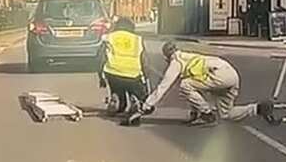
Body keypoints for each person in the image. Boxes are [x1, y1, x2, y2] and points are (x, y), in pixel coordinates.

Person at [136, 41, 277, 127]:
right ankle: (258, 108)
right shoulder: (189, 55)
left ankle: (206, 112)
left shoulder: (176, 62)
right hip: (231, 73)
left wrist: (146, 106)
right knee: (225, 114)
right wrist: (194, 112)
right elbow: (196, 91)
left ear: (167, 56)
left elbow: (163, 87)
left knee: (185, 85)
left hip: (218, 75)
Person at [98, 17, 149, 126]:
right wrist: (146, 77)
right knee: (134, 89)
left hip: (113, 71)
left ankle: (116, 100)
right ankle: (134, 99)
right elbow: (144, 60)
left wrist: (101, 77)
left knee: (116, 87)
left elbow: (100, 58)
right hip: (133, 73)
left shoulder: (109, 37)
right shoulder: (137, 39)